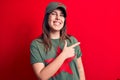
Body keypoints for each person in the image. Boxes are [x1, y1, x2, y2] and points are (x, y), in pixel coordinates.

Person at [30, 2, 85, 80]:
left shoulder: (72, 41)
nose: (58, 18)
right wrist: (63, 55)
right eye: (54, 14)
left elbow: (80, 69)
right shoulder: (36, 45)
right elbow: (42, 76)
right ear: (47, 17)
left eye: (61, 15)